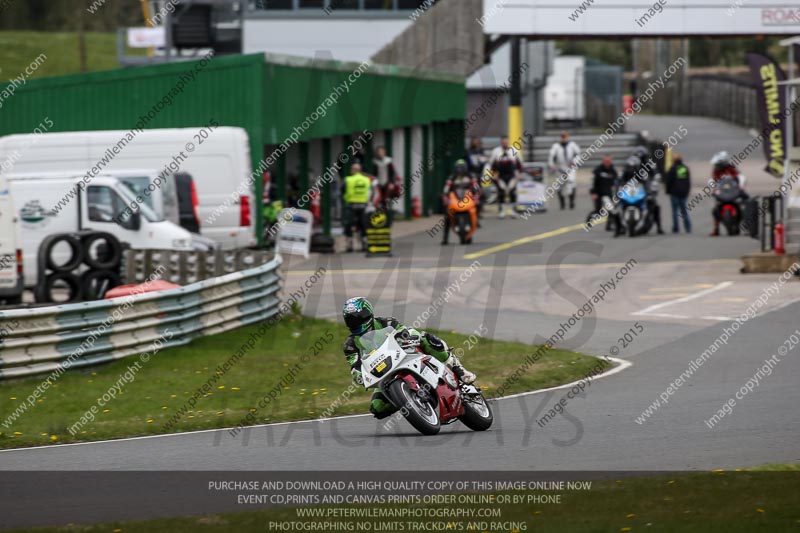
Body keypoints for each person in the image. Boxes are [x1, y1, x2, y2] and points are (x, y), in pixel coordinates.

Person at [341, 297, 476, 419]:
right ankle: (409, 401)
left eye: (358, 317)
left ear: (367, 313)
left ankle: (458, 368)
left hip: (406, 356)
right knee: (377, 408)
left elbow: (404, 330)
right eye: (351, 320)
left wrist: (408, 335)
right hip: (383, 373)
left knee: (426, 338)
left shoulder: (386, 322)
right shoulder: (350, 345)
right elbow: (355, 365)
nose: (356, 322)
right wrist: (358, 375)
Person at [440, 159, 480, 245]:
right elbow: (447, 186)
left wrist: (476, 193)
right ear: (455, 168)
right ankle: (445, 238)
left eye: (462, 167)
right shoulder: (452, 176)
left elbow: (475, 185)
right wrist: (445, 194)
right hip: (455, 198)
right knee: (447, 215)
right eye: (458, 168)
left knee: (478, 204)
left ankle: (478, 219)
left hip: (467, 197)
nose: (460, 170)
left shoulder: (470, 175)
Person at [709, 151, 747, 236]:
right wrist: (713, 189)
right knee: (715, 209)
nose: (716, 166)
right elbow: (712, 180)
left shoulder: (731, 168)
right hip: (722, 192)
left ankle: (747, 226)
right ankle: (716, 229)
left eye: (718, 164)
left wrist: (741, 187)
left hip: (734, 191)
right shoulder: (716, 170)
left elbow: (740, 178)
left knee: (745, 205)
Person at [487, 136, 523, 218]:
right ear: (501, 142)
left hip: (512, 176)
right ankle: (502, 211)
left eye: (506, 142)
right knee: (501, 192)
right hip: (500, 176)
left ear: (508, 141)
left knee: (512, 192)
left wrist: (520, 174)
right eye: (503, 142)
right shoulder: (496, 151)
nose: (505, 143)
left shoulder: (514, 150)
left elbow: (520, 164)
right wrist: (493, 174)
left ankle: (512, 211)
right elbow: (491, 164)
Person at [342, 163, 372, 252]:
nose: (351, 170)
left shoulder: (348, 179)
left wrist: (345, 199)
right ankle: (364, 243)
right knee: (363, 224)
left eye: (352, 169)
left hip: (351, 205)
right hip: (363, 205)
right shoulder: (367, 180)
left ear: (354, 170)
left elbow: (342, 190)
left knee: (348, 224)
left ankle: (349, 244)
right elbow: (370, 192)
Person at [548, 132, 581, 210]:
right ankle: (562, 203)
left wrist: (574, 161)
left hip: (570, 168)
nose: (564, 138)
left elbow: (578, 155)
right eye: (562, 137)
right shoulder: (556, 146)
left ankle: (571, 201)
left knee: (571, 182)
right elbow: (551, 158)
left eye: (565, 137)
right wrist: (552, 166)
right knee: (560, 186)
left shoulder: (573, 145)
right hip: (560, 168)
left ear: (568, 137)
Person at [587, 155, 618, 230]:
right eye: (606, 161)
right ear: (603, 161)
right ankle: (589, 221)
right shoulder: (597, 170)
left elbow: (616, 182)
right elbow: (592, 182)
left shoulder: (613, 171)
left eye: (609, 161)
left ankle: (609, 225)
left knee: (610, 210)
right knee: (598, 212)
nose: (607, 163)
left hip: (608, 194)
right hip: (598, 194)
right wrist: (593, 193)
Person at [665, 152, 692, 234]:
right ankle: (688, 227)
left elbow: (668, 181)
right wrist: (687, 191)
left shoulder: (672, 169)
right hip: (683, 192)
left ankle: (676, 228)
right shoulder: (685, 168)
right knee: (684, 211)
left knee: (675, 211)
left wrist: (668, 191)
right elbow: (688, 181)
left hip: (674, 193)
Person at [371, 146, 401, 217]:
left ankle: (387, 215)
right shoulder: (375, 162)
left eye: (382, 152)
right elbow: (374, 173)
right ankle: (382, 215)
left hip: (387, 183)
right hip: (379, 183)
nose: (380, 153)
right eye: (379, 152)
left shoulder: (388, 161)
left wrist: (391, 183)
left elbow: (392, 173)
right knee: (380, 199)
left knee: (387, 198)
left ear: (384, 152)